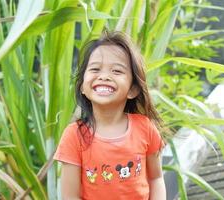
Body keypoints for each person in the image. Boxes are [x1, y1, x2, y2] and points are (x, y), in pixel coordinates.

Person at [53, 31, 166, 200]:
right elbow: (70, 196)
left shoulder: (145, 128)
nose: (104, 76)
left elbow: (156, 178)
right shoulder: (74, 136)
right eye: (95, 69)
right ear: (83, 87)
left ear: (133, 89)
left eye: (116, 71)